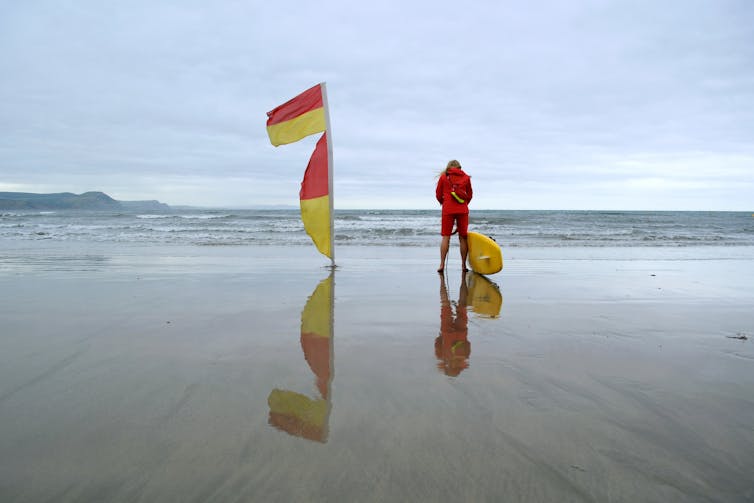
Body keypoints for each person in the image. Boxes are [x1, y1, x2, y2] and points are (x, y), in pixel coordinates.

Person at [435, 159, 473, 273]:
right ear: (459, 167)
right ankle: (463, 265)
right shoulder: (466, 177)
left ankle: (442, 264)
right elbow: (470, 195)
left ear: (448, 167)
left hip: (448, 209)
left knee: (446, 237)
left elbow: (438, 194)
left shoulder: (443, 177)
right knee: (463, 237)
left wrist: (444, 202)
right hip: (462, 210)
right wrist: (464, 204)